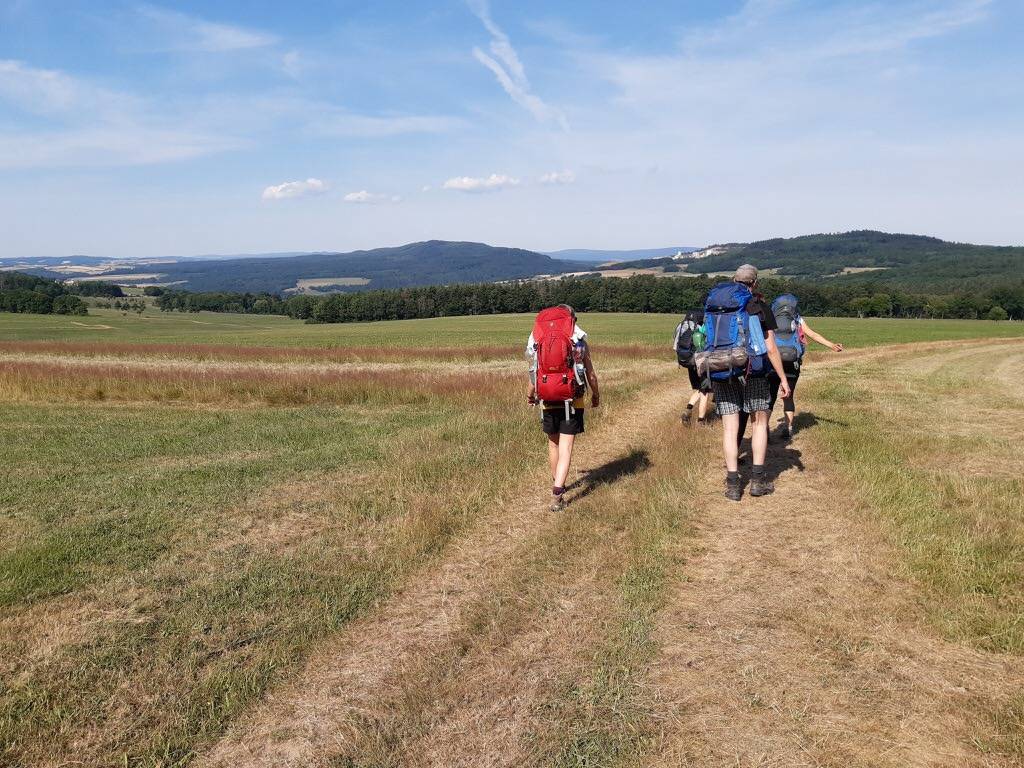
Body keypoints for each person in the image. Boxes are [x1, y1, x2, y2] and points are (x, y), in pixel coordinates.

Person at [699, 265, 790, 501]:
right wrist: (782, 378)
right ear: (755, 283)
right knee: (759, 423)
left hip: (722, 368)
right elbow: (771, 348)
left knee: (730, 428)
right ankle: (757, 481)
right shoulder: (757, 305)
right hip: (754, 371)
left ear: (734, 280)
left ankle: (732, 484)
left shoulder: (715, 305)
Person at [526, 305, 600, 511]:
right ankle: (558, 493)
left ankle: (558, 480)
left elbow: (533, 372)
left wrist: (530, 395)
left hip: (547, 398)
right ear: (572, 320)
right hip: (572, 401)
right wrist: (596, 394)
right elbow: (590, 374)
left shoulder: (539, 339)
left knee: (553, 445)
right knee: (566, 447)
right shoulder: (579, 341)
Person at [766, 298, 844, 439]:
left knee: (770, 396)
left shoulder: (770, 317)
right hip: (792, 362)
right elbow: (812, 334)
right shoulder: (797, 318)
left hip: (773, 362)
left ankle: (763, 430)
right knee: (788, 396)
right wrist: (831, 345)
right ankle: (788, 429)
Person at [672, 309, 711, 425]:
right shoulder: (701, 327)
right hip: (699, 362)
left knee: (700, 388)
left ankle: (688, 410)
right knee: (705, 391)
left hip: (687, 360)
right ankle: (701, 421)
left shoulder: (681, 326)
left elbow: (675, 346)